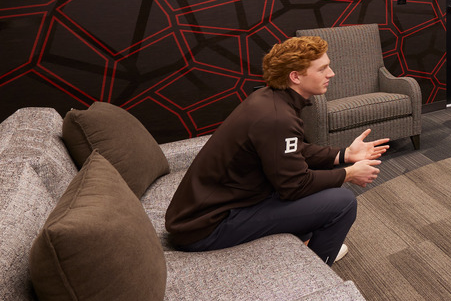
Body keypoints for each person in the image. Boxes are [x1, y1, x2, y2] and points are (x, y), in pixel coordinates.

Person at [165, 35, 389, 265]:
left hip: (208, 212)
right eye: (322, 69)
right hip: (207, 228)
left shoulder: (268, 97)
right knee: (342, 202)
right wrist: (349, 174)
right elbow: (295, 186)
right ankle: (315, 268)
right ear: (295, 77)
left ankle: (304, 242)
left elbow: (292, 152)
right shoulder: (277, 117)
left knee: (311, 186)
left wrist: (344, 155)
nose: (331, 74)